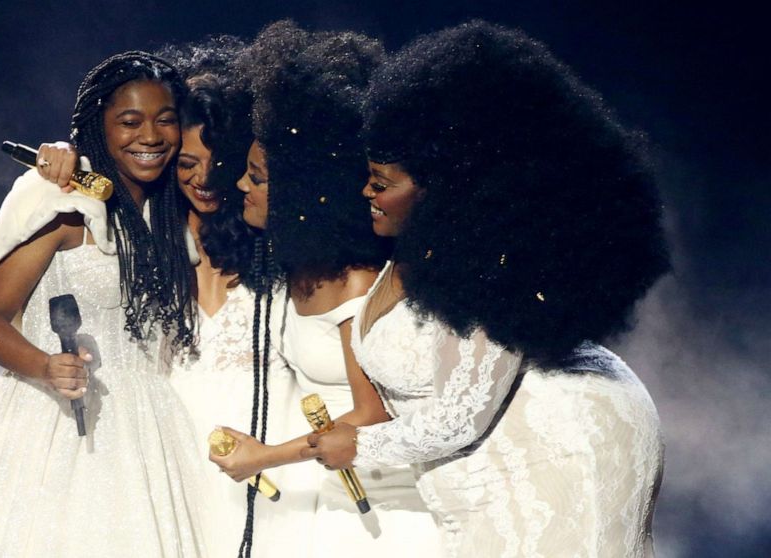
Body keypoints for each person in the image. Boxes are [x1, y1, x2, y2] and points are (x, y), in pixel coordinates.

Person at [305, 21, 668, 556]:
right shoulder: (415, 252)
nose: (367, 191)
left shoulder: (493, 267)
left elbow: (462, 413)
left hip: (567, 445)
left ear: (440, 193)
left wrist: (359, 445)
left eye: (382, 183)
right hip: (484, 469)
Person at [0, 52, 207, 557]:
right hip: (53, 421)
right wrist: (45, 367)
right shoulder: (61, 199)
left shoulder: (172, 213)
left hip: (154, 431)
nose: (150, 136)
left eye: (165, 120)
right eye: (129, 121)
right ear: (98, 127)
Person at [35, 37, 320, 558]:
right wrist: (64, 157)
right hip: (169, 452)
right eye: (187, 162)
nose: (203, 178)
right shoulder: (143, 236)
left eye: (217, 162)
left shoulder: (276, 244)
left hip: (271, 449)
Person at [211, 22, 442, 556]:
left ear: (301, 192)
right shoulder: (296, 266)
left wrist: (262, 457)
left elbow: (373, 415)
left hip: (378, 505)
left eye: (257, 177)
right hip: (322, 489)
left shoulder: (355, 285)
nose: (242, 185)